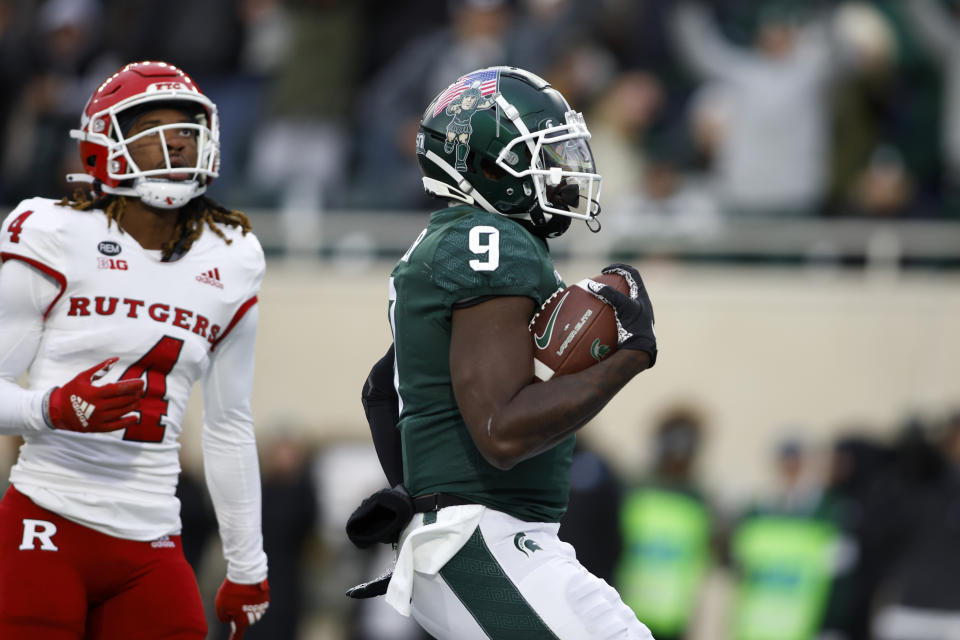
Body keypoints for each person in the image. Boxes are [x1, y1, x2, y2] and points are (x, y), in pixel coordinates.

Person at [360, 66, 658, 639]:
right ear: (486, 166)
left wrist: (422, 495)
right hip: (482, 538)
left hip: (502, 536)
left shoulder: (459, 241)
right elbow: (501, 432)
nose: (563, 170)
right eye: (541, 155)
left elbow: (380, 389)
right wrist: (631, 354)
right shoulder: (491, 241)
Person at [0, 61, 269, 639]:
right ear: (103, 146)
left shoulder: (233, 254)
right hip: (47, 520)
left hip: (151, 537)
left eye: (186, 127)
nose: (175, 138)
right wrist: (47, 409)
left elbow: (227, 425)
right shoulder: (54, 231)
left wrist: (247, 565)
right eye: (155, 125)